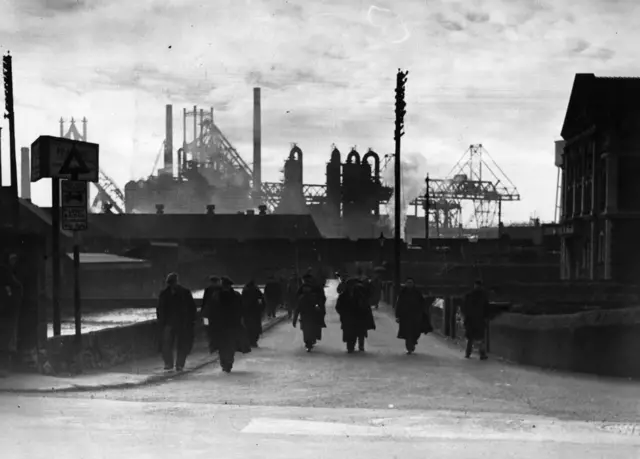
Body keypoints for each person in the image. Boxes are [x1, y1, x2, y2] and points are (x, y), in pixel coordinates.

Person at [156, 272, 197, 372]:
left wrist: (190, 320)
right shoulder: (164, 293)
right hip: (169, 323)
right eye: (170, 283)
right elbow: (160, 308)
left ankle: (179, 364)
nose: (172, 285)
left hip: (182, 323)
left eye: (172, 282)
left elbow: (192, 308)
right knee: (166, 344)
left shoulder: (184, 293)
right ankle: (169, 363)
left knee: (181, 345)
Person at [209, 276, 250, 372]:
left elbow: (211, 310)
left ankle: (226, 363)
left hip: (225, 325)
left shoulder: (218, 295)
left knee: (225, 345)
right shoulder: (234, 295)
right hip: (229, 324)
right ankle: (226, 362)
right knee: (227, 345)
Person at [335, 278, 376, 353]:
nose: (352, 287)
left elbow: (367, 302)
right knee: (350, 333)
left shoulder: (361, 294)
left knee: (360, 332)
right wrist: (343, 313)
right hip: (349, 318)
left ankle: (361, 346)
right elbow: (338, 306)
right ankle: (350, 347)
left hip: (359, 317)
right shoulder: (343, 296)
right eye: (350, 285)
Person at [292, 274, 324, 352]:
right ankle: (308, 343)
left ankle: (312, 339)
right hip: (305, 316)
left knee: (314, 328)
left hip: (313, 314)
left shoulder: (315, 288)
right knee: (306, 330)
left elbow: (321, 298)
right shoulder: (301, 293)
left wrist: (319, 307)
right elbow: (297, 303)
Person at [395, 277, 426, 354]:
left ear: (413, 283)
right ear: (405, 284)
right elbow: (399, 304)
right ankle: (409, 347)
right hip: (405, 316)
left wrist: (422, 312)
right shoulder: (402, 292)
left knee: (415, 331)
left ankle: (413, 342)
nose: (409, 284)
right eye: (408, 282)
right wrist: (398, 315)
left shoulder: (417, 293)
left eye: (411, 282)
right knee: (407, 332)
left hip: (416, 315)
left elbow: (422, 303)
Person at [461, 280, 489, 360]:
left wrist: (465, 317)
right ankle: (482, 354)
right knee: (480, 338)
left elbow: (464, 308)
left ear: (474, 285)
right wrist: (486, 318)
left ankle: (468, 353)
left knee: (470, 337)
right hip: (479, 320)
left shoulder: (468, 295)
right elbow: (486, 308)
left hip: (470, 320)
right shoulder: (483, 296)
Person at [241, 279, 265, 347]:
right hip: (255, 311)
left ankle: (250, 340)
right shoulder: (256, 290)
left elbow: (242, 301)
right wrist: (261, 307)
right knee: (256, 326)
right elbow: (260, 300)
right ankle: (254, 340)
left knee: (248, 326)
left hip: (247, 311)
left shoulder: (245, 291)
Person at [201, 276, 222, 354]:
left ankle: (213, 345)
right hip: (217, 315)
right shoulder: (221, 289)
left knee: (209, 330)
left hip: (208, 315)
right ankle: (217, 345)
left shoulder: (208, 290)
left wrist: (203, 315)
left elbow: (204, 303)